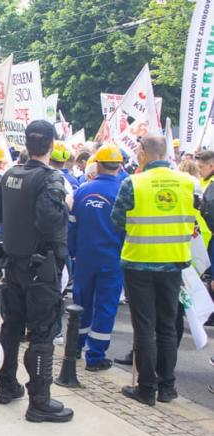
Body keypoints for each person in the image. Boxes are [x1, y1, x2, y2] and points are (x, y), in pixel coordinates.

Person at [0, 120, 74, 423]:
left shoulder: (11, 174)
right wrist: (65, 205)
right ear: (51, 144)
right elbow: (50, 222)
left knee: (11, 328)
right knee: (42, 333)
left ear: (26, 143)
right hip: (41, 267)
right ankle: (40, 400)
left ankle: (7, 385)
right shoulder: (51, 180)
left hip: (14, 264)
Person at [112, 134, 203, 405]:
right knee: (167, 326)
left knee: (144, 327)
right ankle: (167, 386)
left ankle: (146, 387)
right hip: (174, 263)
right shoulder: (189, 183)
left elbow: (117, 219)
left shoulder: (134, 183)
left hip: (139, 262)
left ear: (142, 151)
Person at [68, 145, 125, 372]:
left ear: (98, 165)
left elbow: (72, 227)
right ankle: (95, 356)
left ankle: (75, 347)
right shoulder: (123, 192)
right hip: (112, 259)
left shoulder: (82, 190)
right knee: (106, 306)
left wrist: (73, 252)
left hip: (84, 258)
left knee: (81, 303)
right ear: (119, 166)